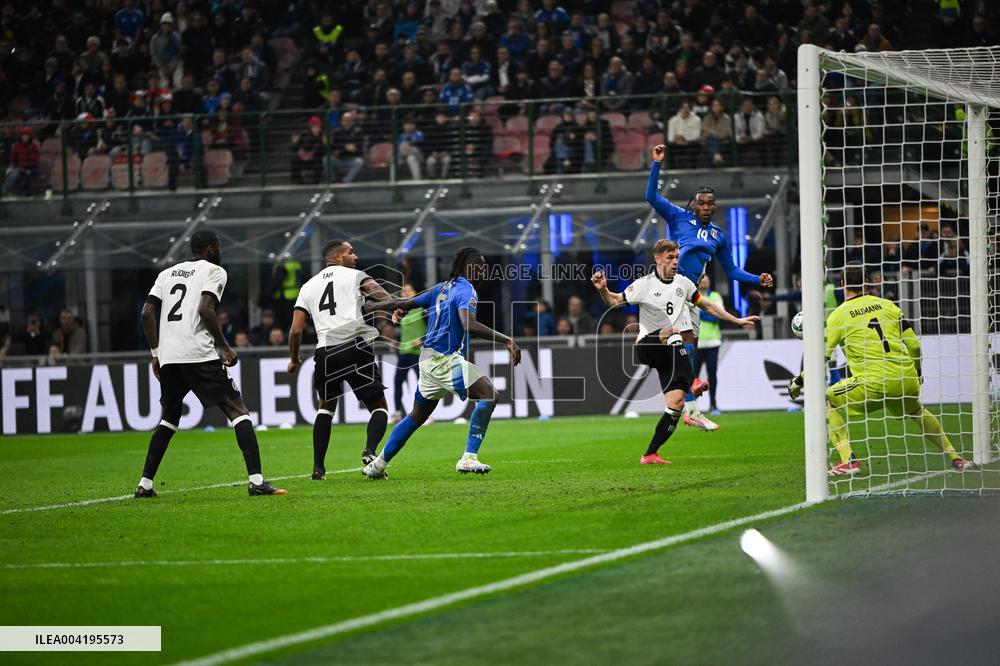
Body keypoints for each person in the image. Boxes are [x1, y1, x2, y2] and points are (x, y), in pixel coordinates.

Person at [788, 262, 977, 476]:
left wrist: (798, 382)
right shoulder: (888, 306)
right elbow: (914, 346)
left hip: (873, 384)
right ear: (867, 282)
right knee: (917, 411)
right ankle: (956, 458)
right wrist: (917, 373)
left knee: (825, 400)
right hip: (905, 379)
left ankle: (849, 461)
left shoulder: (838, 316)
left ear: (842, 284)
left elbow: (820, 359)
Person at [137, 230, 286, 498]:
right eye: (218, 246)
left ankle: (144, 485)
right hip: (198, 353)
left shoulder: (166, 274)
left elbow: (147, 313)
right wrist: (225, 347)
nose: (220, 251)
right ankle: (256, 481)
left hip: (169, 357)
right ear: (211, 249)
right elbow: (205, 309)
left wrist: (156, 353)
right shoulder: (215, 271)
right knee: (237, 410)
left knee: (169, 419)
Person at [592, 239, 758, 464]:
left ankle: (650, 454)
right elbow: (615, 300)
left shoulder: (684, 283)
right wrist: (603, 290)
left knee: (676, 404)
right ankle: (692, 383)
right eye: (670, 258)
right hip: (648, 346)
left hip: (670, 353)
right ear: (657, 259)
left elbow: (708, 306)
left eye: (677, 257)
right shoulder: (644, 284)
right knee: (673, 330)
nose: (675, 262)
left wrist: (737, 320)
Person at [361, 247, 522, 478]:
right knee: (489, 395)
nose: (485, 271)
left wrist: (373, 306)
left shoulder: (441, 288)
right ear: (470, 267)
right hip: (443, 359)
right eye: (482, 266)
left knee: (416, 416)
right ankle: (469, 458)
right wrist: (507, 340)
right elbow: (469, 324)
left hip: (427, 360)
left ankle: (377, 466)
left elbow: (406, 303)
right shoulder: (466, 290)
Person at [646, 144, 774, 430]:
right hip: (672, 288)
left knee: (689, 350)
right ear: (694, 204)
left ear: (715, 207)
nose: (705, 207)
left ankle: (690, 408)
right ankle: (689, 391)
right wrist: (657, 164)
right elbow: (651, 196)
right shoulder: (679, 217)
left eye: (710, 204)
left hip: (691, 294)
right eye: (701, 203)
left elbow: (732, 270)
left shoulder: (719, 235)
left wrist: (757, 279)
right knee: (683, 345)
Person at [287, 240, 395, 478]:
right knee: (379, 407)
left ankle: (318, 468)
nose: (355, 257)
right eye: (350, 252)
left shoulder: (308, 286)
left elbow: (295, 330)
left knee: (326, 408)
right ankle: (370, 451)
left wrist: (294, 359)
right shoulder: (355, 276)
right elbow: (378, 292)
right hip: (354, 346)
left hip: (325, 352)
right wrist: (395, 306)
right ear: (337, 257)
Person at [392, 283, 426, 422]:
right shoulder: (401, 312)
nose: (405, 293)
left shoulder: (422, 310)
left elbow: (434, 328)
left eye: (409, 290)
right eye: (403, 291)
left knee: (422, 384)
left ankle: (424, 413)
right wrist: (396, 341)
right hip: (404, 352)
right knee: (397, 381)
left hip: (418, 354)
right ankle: (397, 412)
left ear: (415, 293)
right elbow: (404, 332)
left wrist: (422, 339)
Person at [694, 275, 723, 415]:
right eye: (702, 280)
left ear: (710, 282)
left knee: (712, 375)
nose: (704, 282)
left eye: (706, 280)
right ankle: (692, 407)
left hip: (712, 342)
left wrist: (700, 312)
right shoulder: (692, 295)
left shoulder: (715, 296)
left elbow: (718, 317)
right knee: (693, 376)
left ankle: (713, 405)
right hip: (696, 343)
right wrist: (709, 312)